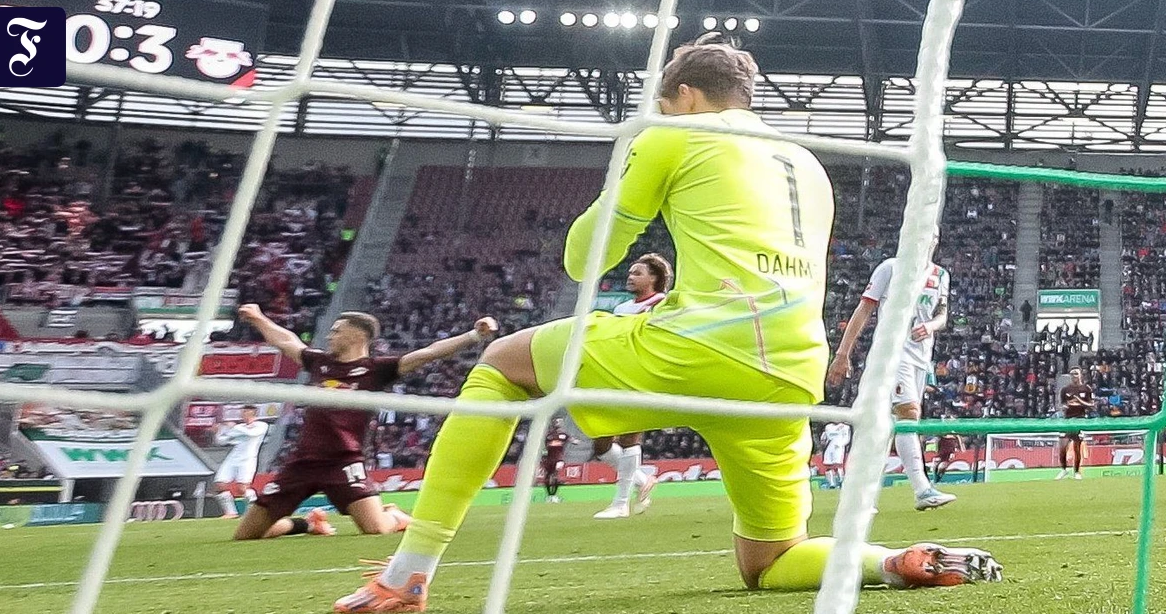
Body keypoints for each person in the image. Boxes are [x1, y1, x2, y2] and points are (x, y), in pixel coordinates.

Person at [333, 33, 1001, 614]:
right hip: (790, 374)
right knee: (769, 562)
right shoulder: (808, 163)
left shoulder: (675, 132)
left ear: (683, 94)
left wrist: (626, 170)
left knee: (502, 364)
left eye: (661, 102)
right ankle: (892, 562)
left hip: (702, 346)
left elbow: (582, 259)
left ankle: (409, 572)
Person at [232, 303, 498, 541]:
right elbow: (285, 341)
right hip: (302, 462)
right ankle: (308, 524)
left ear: (357, 336)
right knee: (246, 535)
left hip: (344, 462)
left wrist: (474, 335)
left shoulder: (376, 370)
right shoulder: (318, 362)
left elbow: (428, 353)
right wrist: (257, 317)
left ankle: (394, 516)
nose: (329, 336)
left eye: (336, 331)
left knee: (376, 528)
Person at [829, 235, 958, 511]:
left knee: (883, 424)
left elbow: (942, 314)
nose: (928, 241)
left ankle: (858, 497)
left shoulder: (940, 275)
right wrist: (842, 353)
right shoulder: (890, 267)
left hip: (921, 358)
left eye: (933, 237)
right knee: (907, 414)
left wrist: (931, 326)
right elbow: (864, 309)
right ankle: (922, 489)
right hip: (892, 354)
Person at [592, 253, 670, 519]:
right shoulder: (622, 308)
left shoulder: (661, 304)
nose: (630, 276)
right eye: (630, 272)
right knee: (601, 445)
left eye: (638, 273)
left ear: (654, 278)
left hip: (642, 374)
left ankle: (621, 503)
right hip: (616, 374)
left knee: (628, 438)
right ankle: (642, 480)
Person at [212, 404, 269, 518]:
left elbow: (251, 433)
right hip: (233, 458)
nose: (243, 415)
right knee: (220, 484)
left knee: (242, 488)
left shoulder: (261, 425)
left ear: (252, 413)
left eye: (245, 412)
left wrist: (232, 427)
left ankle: (253, 512)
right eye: (242, 412)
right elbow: (221, 441)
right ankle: (231, 512)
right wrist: (218, 431)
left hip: (248, 460)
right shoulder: (239, 427)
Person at [1056, 366, 1095, 480]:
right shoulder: (1065, 389)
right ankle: (1063, 469)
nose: (1074, 376)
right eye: (1072, 374)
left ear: (1080, 375)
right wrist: (1065, 406)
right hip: (1067, 420)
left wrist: (1079, 401)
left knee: (1077, 447)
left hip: (1080, 419)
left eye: (1076, 373)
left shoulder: (1086, 389)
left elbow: (1091, 405)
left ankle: (1077, 472)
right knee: (1062, 446)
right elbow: (1062, 404)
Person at [542, 418, 575, 503]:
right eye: (557, 422)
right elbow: (545, 445)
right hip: (549, 458)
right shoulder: (549, 435)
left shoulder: (563, 435)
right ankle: (549, 495)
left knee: (555, 475)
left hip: (558, 459)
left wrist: (574, 441)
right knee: (547, 477)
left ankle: (554, 495)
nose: (558, 424)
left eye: (560, 423)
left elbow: (571, 440)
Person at [819, 421, 851, 489]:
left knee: (838, 465)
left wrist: (840, 444)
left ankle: (842, 482)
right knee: (828, 466)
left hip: (838, 448)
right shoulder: (828, 427)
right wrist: (823, 442)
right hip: (828, 448)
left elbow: (847, 439)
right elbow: (824, 438)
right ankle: (832, 484)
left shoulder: (845, 427)